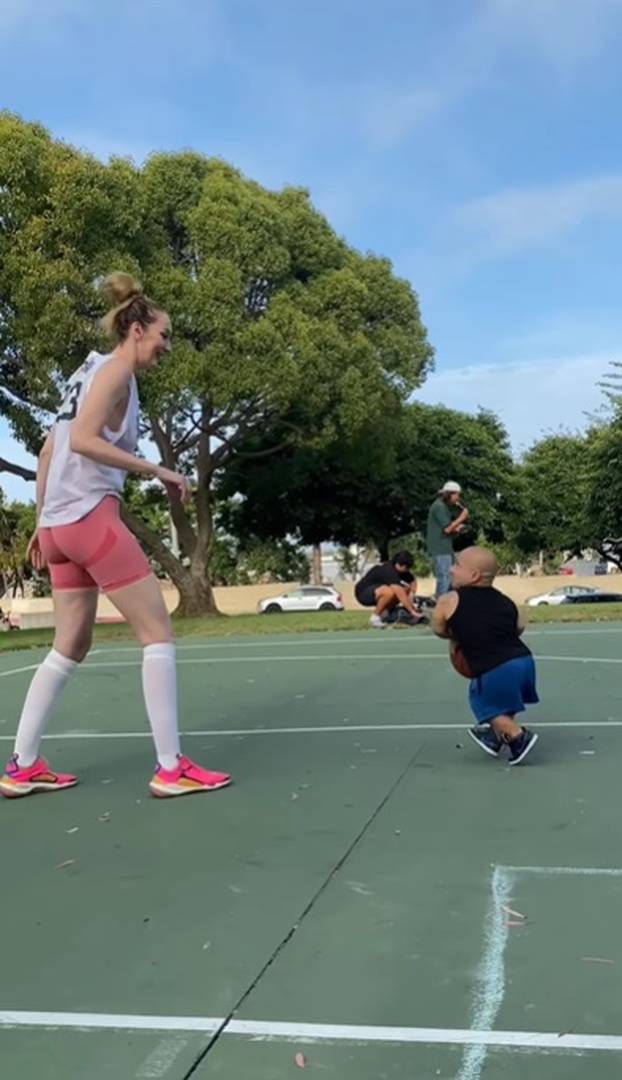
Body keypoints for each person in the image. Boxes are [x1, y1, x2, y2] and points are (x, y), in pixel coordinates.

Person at [0, 273, 231, 799]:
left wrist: (42, 522)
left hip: (60, 528)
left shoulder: (84, 373)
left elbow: (49, 451)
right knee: (157, 633)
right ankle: (171, 768)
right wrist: (159, 470)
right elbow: (83, 441)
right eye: (164, 335)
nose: (167, 345)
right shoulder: (116, 373)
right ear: (137, 330)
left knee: (69, 645)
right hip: (90, 520)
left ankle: (22, 765)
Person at [431, 546, 539, 765]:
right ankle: (495, 736)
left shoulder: (449, 600)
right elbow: (519, 626)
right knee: (504, 702)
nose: (451, 569)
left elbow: (438, 628)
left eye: (457, 565)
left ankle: (518, 737)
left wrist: (456, 636)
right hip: (524, 660)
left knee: (483, 703)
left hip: (495, 667)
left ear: (474, 575)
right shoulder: (506, 601)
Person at [355, 551, 424, 629]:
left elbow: (413, 582)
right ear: (400, 565)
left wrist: (412, 595)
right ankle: (374, 618)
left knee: (406, 588)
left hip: (377, 591)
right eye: (407, 568)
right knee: (390, 591)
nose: (408, 570)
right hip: (362, 593)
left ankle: (385, 614)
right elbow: (399, 591)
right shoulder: (388, 570)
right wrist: (412, 611)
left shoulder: (401, 570)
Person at [426, 481, 469, 597]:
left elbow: (447, 528)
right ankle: (443, 603)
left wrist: (458, 528)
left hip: (445, 547)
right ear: (450, 494)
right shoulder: (439, 507)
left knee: (450, 576)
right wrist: (461, 518)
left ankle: (440, 601)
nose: (458, 498)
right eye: (457, 495)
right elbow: (447, 529)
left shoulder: (442, 506)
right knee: (445, 578)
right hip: (440, 547)